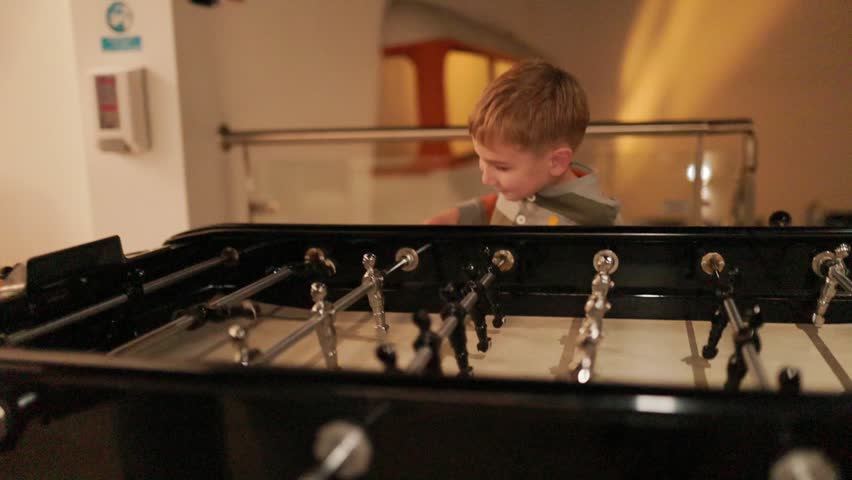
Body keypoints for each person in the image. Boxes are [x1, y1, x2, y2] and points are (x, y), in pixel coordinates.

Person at [424, 59, 621, 226]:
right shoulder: (526, 185)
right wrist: (455, 217)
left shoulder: (597, 221)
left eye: (501, 167)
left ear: (557, 162)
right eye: (481, 159)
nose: (486, 179)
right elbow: (497, 204)